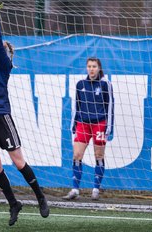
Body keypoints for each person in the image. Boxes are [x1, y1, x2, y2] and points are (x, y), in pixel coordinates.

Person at [0, 0, 49, 226]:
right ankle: (14, 204)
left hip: (1, 117)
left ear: (6, 55)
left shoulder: (3, 67)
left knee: (19, 161)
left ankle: (40, 197)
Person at [63, 57, 114, 201]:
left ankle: (96, 189)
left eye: (94, 66)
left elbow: (110, 106)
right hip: (82, 124)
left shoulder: (106, 84)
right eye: (89, 66)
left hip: (99, 124)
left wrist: (109, 127)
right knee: (77, 155)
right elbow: (76, 106)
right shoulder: (80, 84)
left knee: (98, 156)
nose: (91, 69)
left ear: (99, 68)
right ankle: (75, 189)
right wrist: (73, 125)